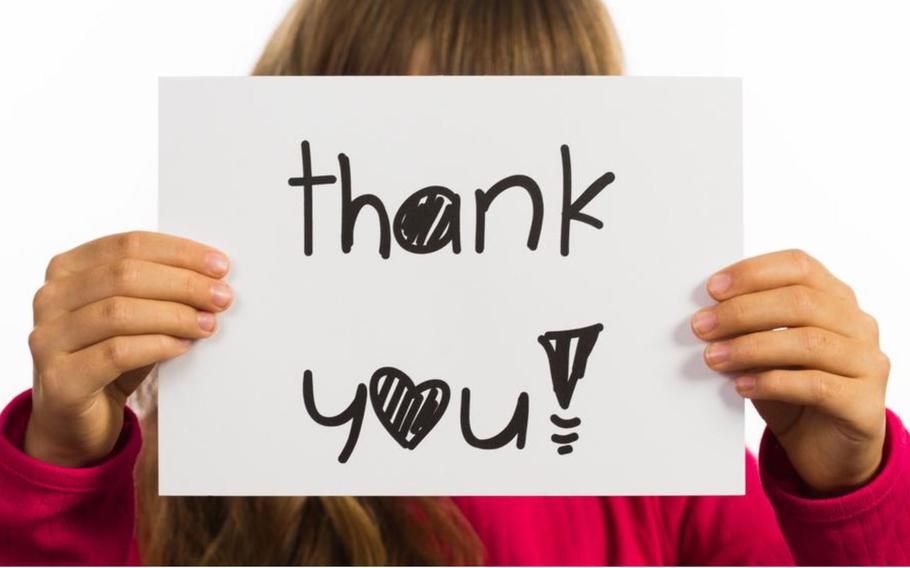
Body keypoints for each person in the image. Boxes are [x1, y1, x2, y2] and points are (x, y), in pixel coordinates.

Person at [1, 0, 908, 565]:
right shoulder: (178, 466)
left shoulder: (668, 479)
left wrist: (848, 496)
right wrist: (60, 468)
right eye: (406, 167)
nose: (454, 248)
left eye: (514, 185)